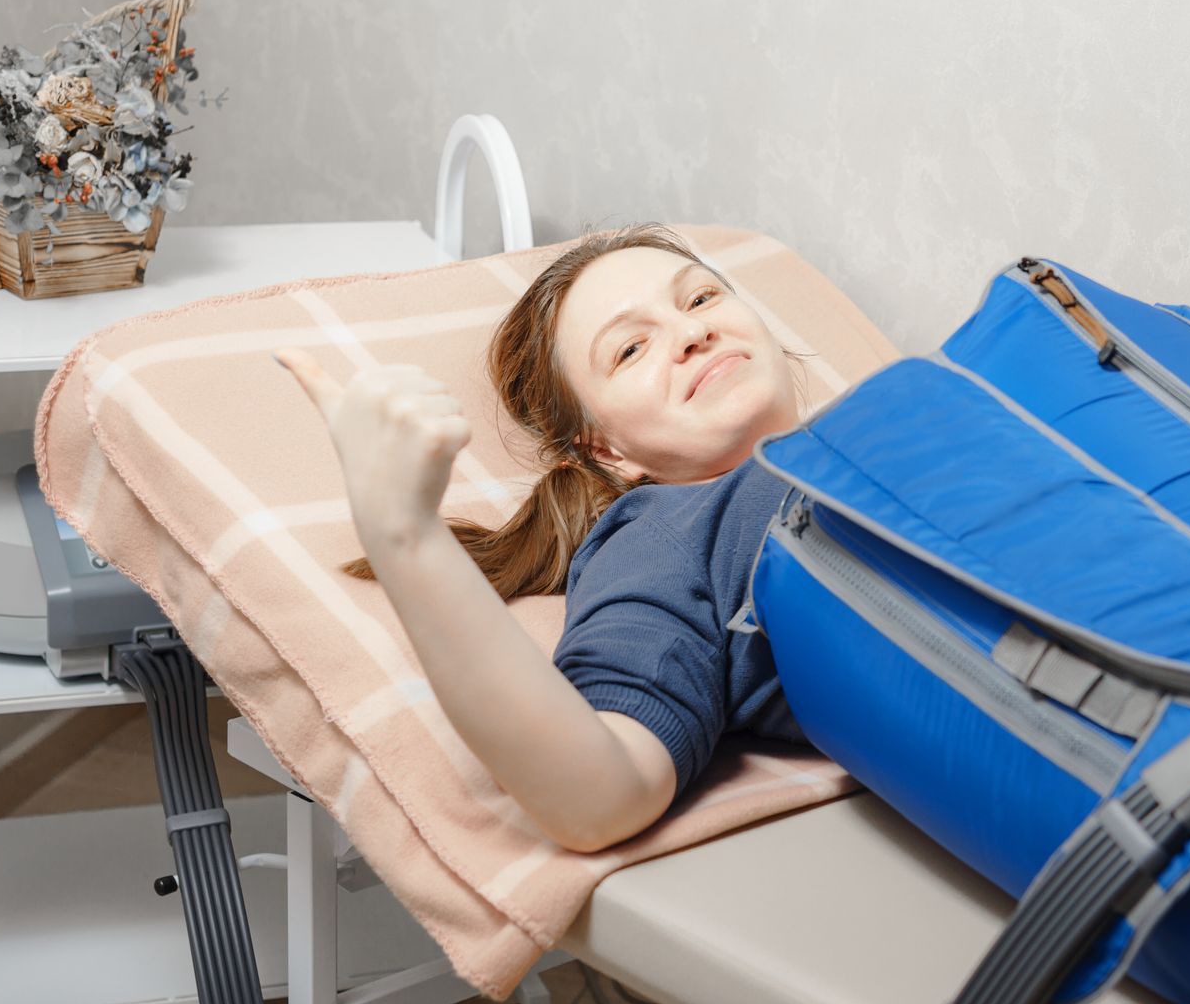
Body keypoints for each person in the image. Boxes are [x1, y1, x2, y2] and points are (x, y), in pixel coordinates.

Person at [275, 224, 818, 853]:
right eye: (632, 349)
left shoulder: (893, 409)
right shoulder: (665, 536)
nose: (694, 333)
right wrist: (401, 530)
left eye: (699, 299)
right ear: (604, 449)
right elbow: (598, 794)